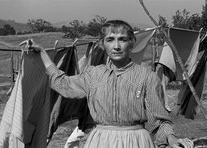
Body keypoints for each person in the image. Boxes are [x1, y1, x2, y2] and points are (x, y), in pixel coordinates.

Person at [31, 20, 193, 148]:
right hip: (101, 141)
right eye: (110, 40)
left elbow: (158, 120)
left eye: (122, 40)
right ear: (102, 44)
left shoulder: (147, 77)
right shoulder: (93, 75)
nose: (116, 46)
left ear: (132, 42)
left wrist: (171, 139)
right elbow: (63, 84)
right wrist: (44, 55)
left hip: (136, 141)